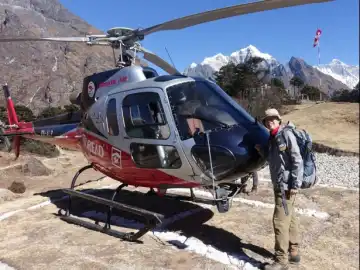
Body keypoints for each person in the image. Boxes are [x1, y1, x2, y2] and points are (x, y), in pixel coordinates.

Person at [260, 108, 303, 270]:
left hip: (286, 187)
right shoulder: (273, 138)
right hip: (281, 185)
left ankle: (281, 260)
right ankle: (294, 252)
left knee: (279, 221)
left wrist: (295, 185)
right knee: (290, 218)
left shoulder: (285, 134)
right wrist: (261, 150)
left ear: (279, 120)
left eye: (273, 119)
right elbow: (275, 159)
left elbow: (296, 160)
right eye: (267, 119)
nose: (270, 121)